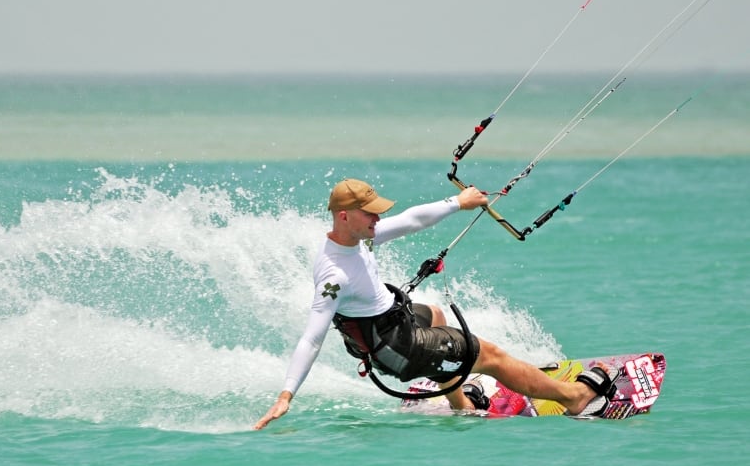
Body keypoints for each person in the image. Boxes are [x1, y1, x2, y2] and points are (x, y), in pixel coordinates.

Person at [254, 178, 619, 430]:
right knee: (489, 356)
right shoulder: (334, 274)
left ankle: (461, 406)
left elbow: (412, 220)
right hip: (399, 347)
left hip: (390, 324)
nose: (377, 219)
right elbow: (312, 338)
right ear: (344, 215)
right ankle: (574, 398)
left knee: (436, 316)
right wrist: (286, 395)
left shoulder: (357, 237)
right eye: (370, 213)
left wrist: (458, 203)